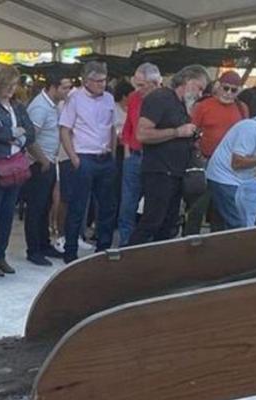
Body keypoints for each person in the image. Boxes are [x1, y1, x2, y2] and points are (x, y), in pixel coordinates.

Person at [128, 64, 209, 245]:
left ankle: (158, 265)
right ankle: (128, 262)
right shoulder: (160, 97)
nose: (200, 94)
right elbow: (142, 134)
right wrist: (177, 132)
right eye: (200, 88)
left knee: (168, 225)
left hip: (176, 173)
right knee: (152, 221)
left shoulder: (182, 105)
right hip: (159, 171)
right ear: (188, 81)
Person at [0, 64, 38, 277]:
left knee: (7, 215)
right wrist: (15, 133)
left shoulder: (18, 107)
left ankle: (0, 254)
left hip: (16, 166)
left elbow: (31, 133)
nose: (13, 89)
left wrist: (16, 134)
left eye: (14, 85)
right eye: (9, 85)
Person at [58, 61, 118, 262]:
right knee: (78, 206)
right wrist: (74, 157)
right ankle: (71, 251)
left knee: (107, 206)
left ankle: (103, 249)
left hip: (105, 157)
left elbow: (112, 128)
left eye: (104, 80)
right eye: (98, 81)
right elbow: (65, 129)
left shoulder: (109, 98)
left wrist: (113, 152)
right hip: (84, 157)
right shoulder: (75, 99)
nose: (103, 84)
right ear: (86, 81)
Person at [187, 72, 249, 234]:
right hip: (205, 161)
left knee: (222, 209)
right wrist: (196, 155)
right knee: (197, 207)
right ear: (218, 86)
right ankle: (189, 242)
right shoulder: (203, 106)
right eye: (225, 88)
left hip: (228, 167)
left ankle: (218, 244)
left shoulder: (242, 108)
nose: (228, 93)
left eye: (233, 90)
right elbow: (191, 132)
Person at [23, 77, 70, 266]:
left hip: (49, 161)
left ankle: (44, 243)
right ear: (53, 86)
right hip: (38, 163)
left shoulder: (53, 105)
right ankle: (33, 249)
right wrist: (42, 160)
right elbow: (30, 138)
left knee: (45, 206)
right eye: (64, 87)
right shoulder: (40, 107)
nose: (68, 91)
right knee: (35, 207)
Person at [116, 63, 161, 246]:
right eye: (137, 84)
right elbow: (128, 126)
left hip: (154, 157)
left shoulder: (163, 99)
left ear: (155, 83)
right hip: (134, 155)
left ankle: (144, 243)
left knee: (152, 204)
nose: (138, 89)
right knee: (128, 203)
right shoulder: (134, 98)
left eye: (142, 85)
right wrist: (127, 150)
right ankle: (126, 242)